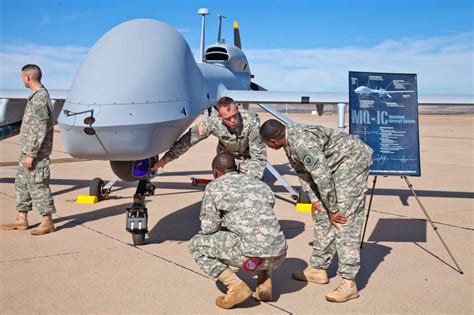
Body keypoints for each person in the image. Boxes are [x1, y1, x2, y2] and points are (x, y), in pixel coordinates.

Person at [259, 119, 373, 303]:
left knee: (342, 219)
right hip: (332, 166)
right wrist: (315, 200)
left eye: (265, 144)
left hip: (351, 160)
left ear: (273, 142)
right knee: (322, 212)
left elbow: (322, 176)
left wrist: (333, 209)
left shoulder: (301, 143)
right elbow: (304, 173)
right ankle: (319, 268)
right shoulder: (288, 141)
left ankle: (349, 282)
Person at [188, 152, 287, 309]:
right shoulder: (260, 185)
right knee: (260, 234)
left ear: (215, 172)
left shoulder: (215, 186)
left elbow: (209, 228)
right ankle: (264, 283)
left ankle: (235, 286)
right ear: (237, 168)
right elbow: (262, 218)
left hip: (250, 254)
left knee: (196, 245)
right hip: (279, 253)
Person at [0, 64, 56, 235]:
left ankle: (47, 221)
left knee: (38, 186)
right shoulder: (34, 96)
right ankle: (21, 219)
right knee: (22, 185)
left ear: (27, 77)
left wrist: (31, 154)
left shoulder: (40, 98)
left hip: (36, 154)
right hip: (27, 152)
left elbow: (40, 127)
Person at [152, 96, 267, 179]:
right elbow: (188, 140)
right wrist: (166, 159)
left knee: (250, 187)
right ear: (219, 117)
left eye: (234, 115)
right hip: (226, 161)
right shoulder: (212, 122)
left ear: (236, 108)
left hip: (248, 159)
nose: (233, 121)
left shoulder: (251, 120)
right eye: (227, 118)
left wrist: (252, 180)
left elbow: (258, 156)